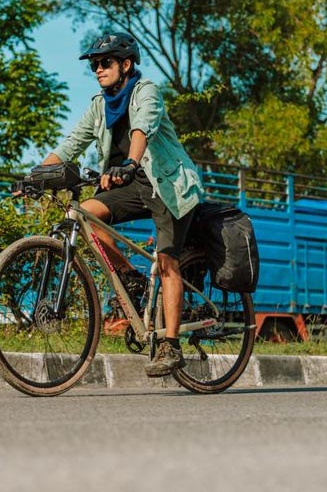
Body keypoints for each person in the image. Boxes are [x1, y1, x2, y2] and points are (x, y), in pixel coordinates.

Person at [37, 32, 205, 377]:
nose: (98, 69)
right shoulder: (100, 105)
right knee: (83, 214)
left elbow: (143, 127)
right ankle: (131, 278)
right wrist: (34, 176)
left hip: (166, 185)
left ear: (125, 65)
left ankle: (171, 346)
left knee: (167, 260)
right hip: (129, 184)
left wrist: (129, 164)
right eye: (95, 65)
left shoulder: (147, 92)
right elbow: (72, 144)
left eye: (105, 63)